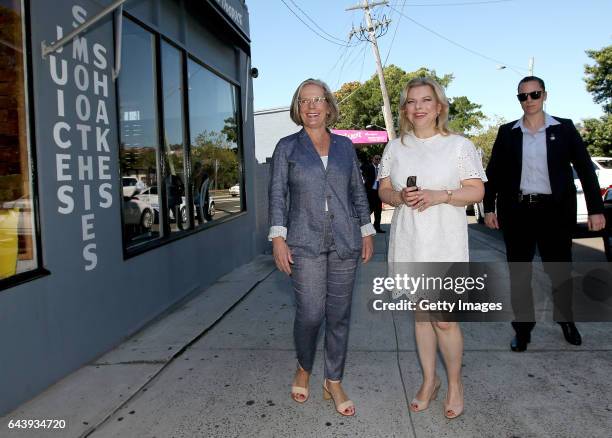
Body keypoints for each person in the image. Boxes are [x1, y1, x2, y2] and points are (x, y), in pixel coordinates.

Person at [378, 77, 486, 419]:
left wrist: (441, 195)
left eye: (426, 100)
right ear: (405, 109)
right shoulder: (395, 147)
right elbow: (383, 191)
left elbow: (477, 191)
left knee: (444, 320)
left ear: (439, 106)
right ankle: (429, 381)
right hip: (410, 239)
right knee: (422, 317)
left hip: (445, 241)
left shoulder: (459, 145)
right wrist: (399, 197)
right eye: (411, 101)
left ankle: (454, 384)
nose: (419, 107)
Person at [268, 78, 375, 416]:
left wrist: (367, 230)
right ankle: (304, 365)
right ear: (297, 108)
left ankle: (333, 379)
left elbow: (358, 191)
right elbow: (276, 195)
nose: (311, 106)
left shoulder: (344, 145)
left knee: (340, 316)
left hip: (345, 240)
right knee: (311, 313)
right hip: (303, 241)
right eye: (304, 100)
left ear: (329, 105)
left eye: (317, 99)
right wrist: (278, 238)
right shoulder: (287, 146)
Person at [483, 76, 606, 352]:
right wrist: (489, 207)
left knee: (559, 270)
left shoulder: (564, 129)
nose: (529, 100)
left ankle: (566, 319)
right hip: (517, 212)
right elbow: (494, 174)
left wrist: (596, 209)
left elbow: (586, 169)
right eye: (523, 96)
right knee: (519, 273)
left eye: (534, 94)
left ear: (544, 95)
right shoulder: (508, 132)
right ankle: (523, 328)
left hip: (555, 212)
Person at [361, 154, 385, 233]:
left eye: (379, 159)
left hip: (378, 193)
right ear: (373, 159)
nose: (378, 160)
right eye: (376, 159)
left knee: (378, 212)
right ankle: (367, 228)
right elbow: (362, 171)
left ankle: (377, 228)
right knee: (369, 211)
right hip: (370, 193)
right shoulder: (368, 167)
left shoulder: (381, 169)